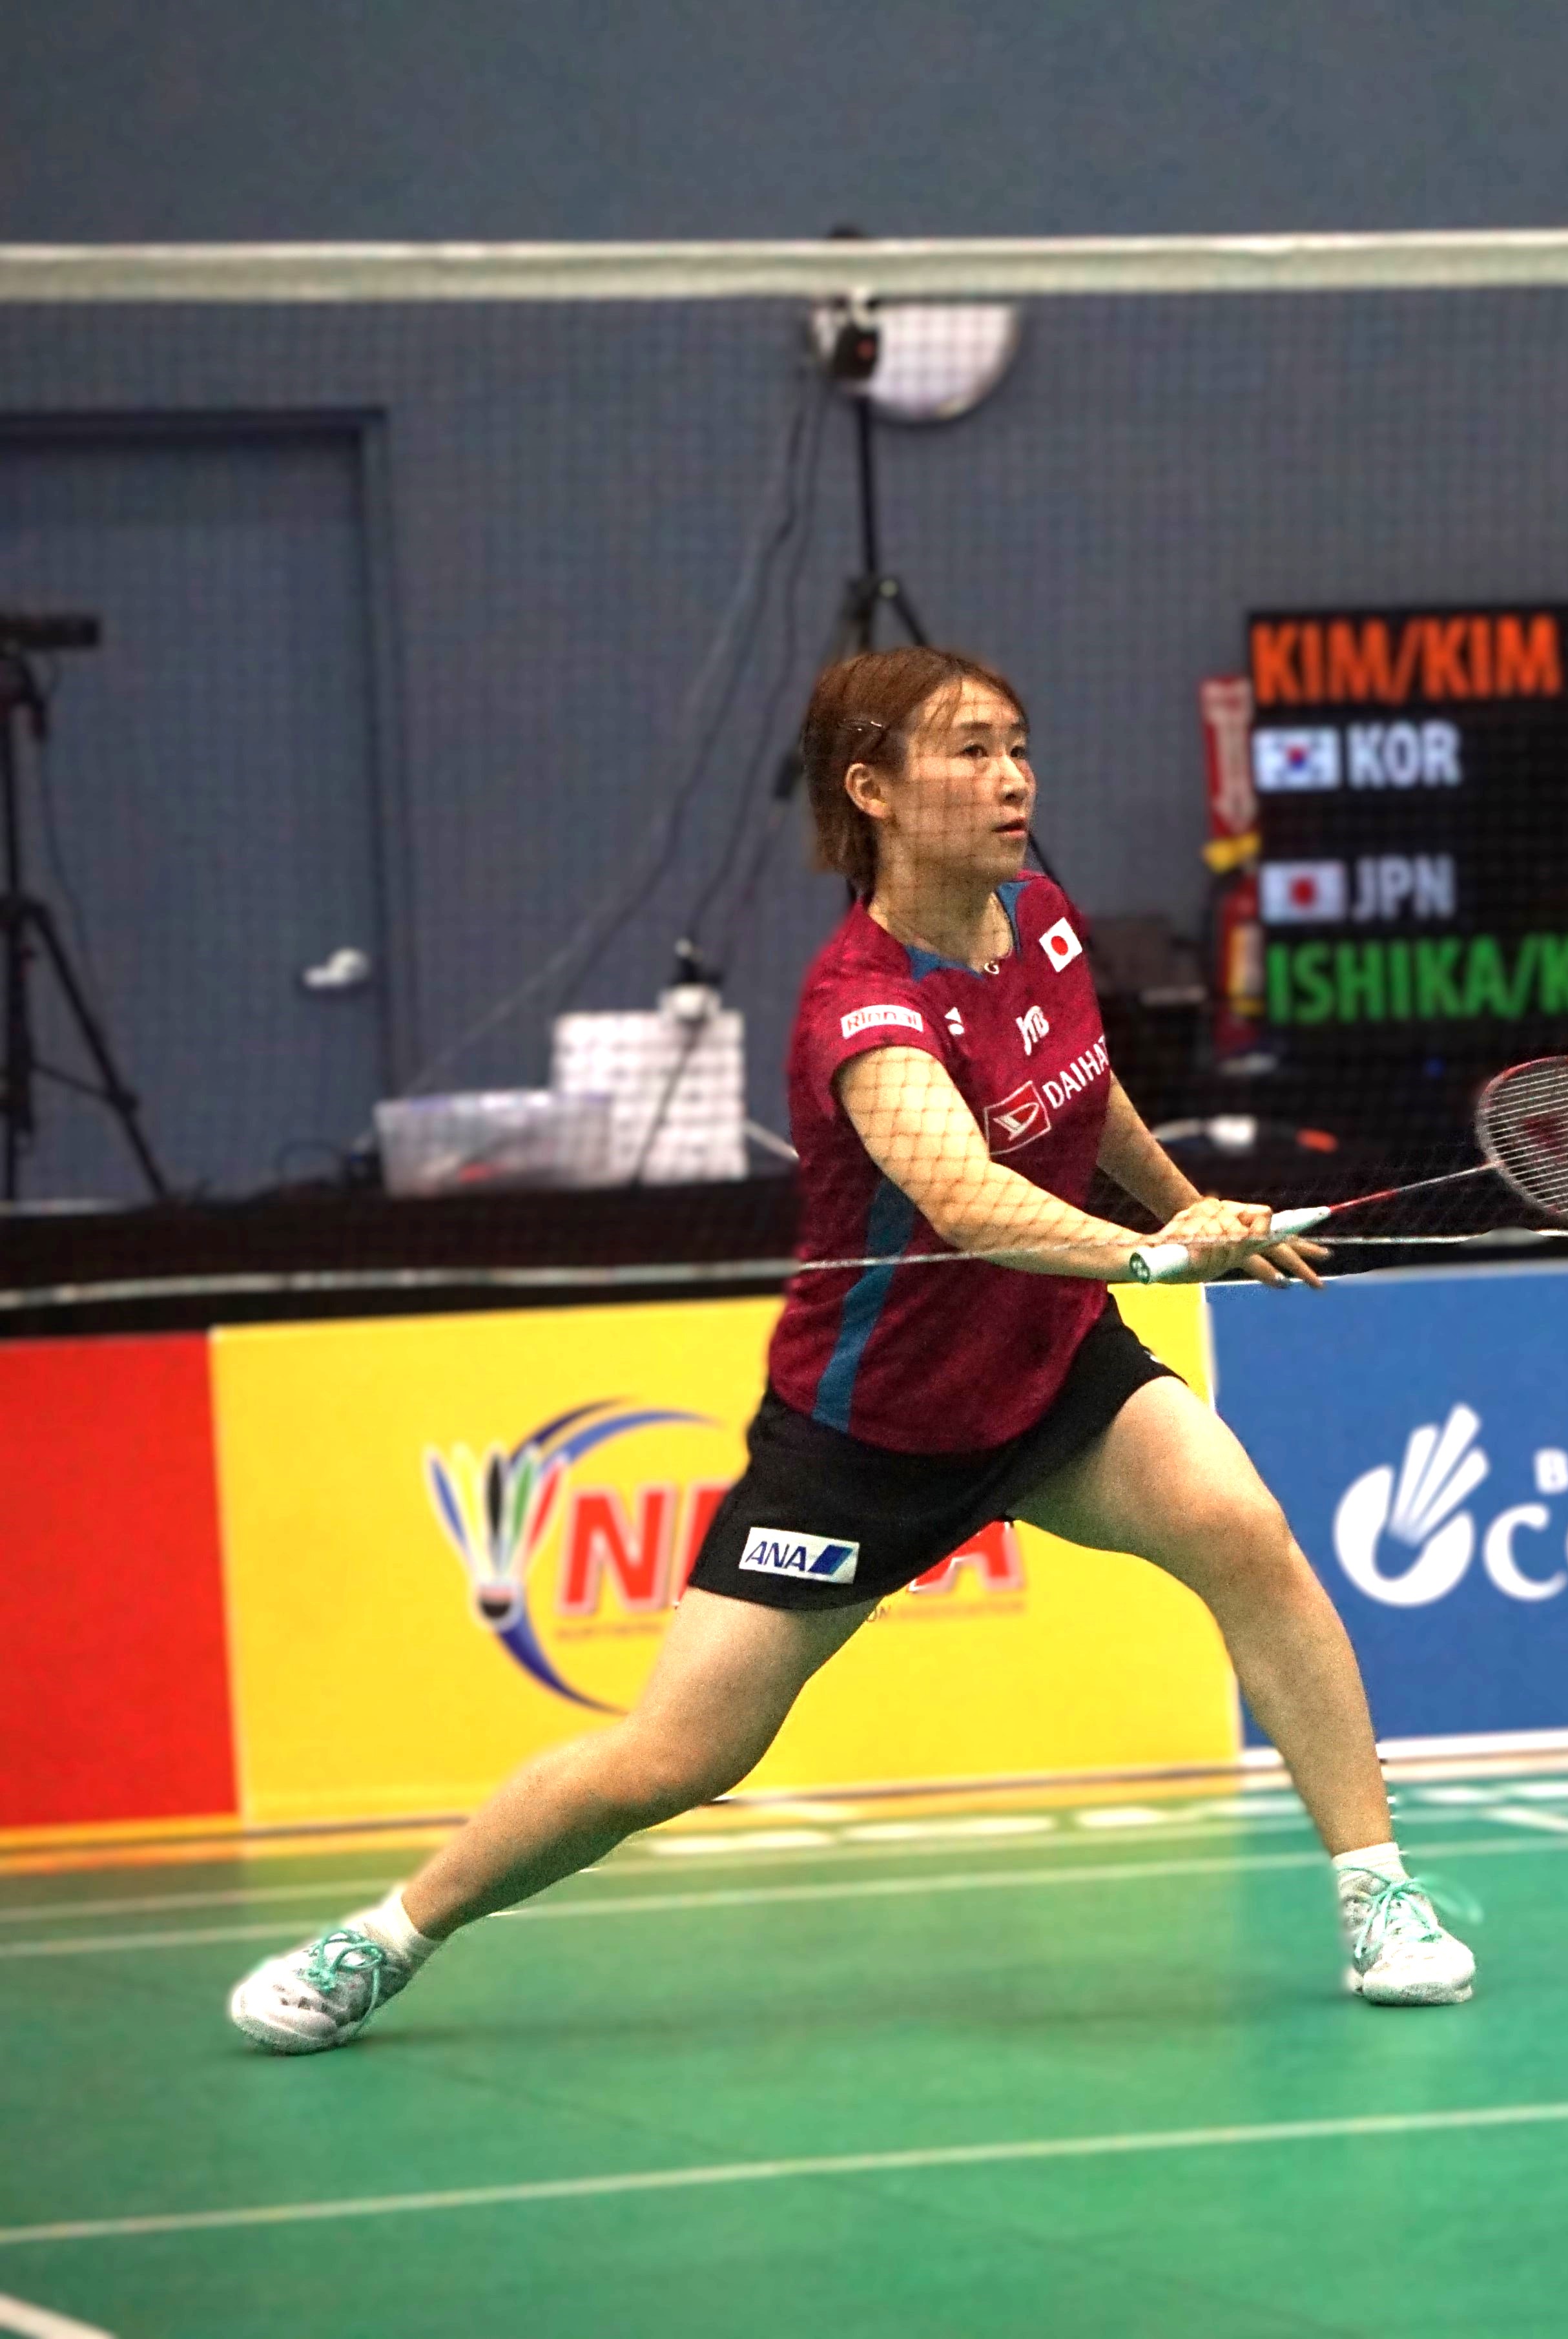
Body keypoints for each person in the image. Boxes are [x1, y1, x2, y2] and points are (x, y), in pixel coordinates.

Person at [228, 647, 1474, 2053]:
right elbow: (965, 1196)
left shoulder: (1042, 920)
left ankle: (1379, 1896)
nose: (1014, 780)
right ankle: (386, 1938)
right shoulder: (862, 1005)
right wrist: (1154, 1252)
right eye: (969, 751)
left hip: (1053, 1374)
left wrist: (1184, 1204)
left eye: (1017, 745)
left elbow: (1088, 1084)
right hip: (865, 1440)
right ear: (870, 789)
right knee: (676, 1756)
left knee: (1244, 1533)